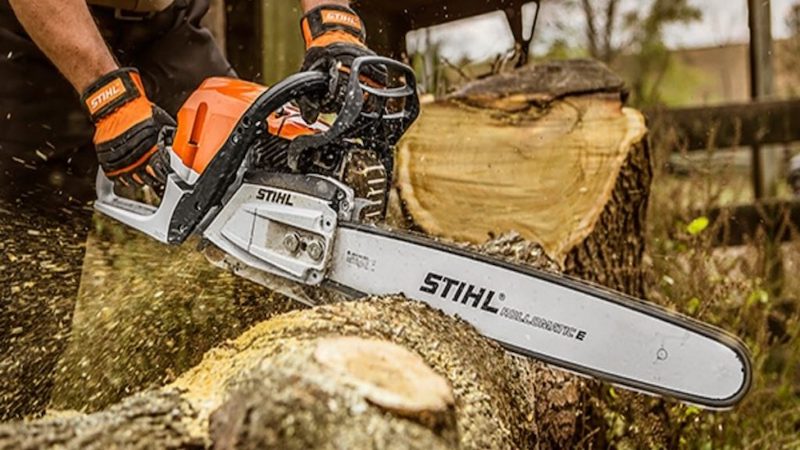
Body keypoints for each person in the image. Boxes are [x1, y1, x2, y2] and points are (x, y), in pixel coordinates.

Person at [0, 0, 381, 207]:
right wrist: (108, 96)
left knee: (246, 150)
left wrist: (332, 25)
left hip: (167, 23)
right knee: (37, 202)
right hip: (43, 26)